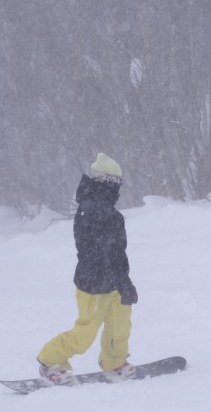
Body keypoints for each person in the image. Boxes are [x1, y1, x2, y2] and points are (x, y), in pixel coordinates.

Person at [36, 152, 139, 385]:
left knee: (120, 323)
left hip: (114, 279)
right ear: (104, 182)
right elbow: (98, 249)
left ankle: (115, 362)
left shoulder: (105, 208)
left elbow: (115, 251)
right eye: (115, 183)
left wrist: (123, 280)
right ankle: (50, 361)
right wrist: (117, 277)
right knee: (86, 332)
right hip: (93, 283)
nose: (117, 189)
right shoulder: (91, 208)